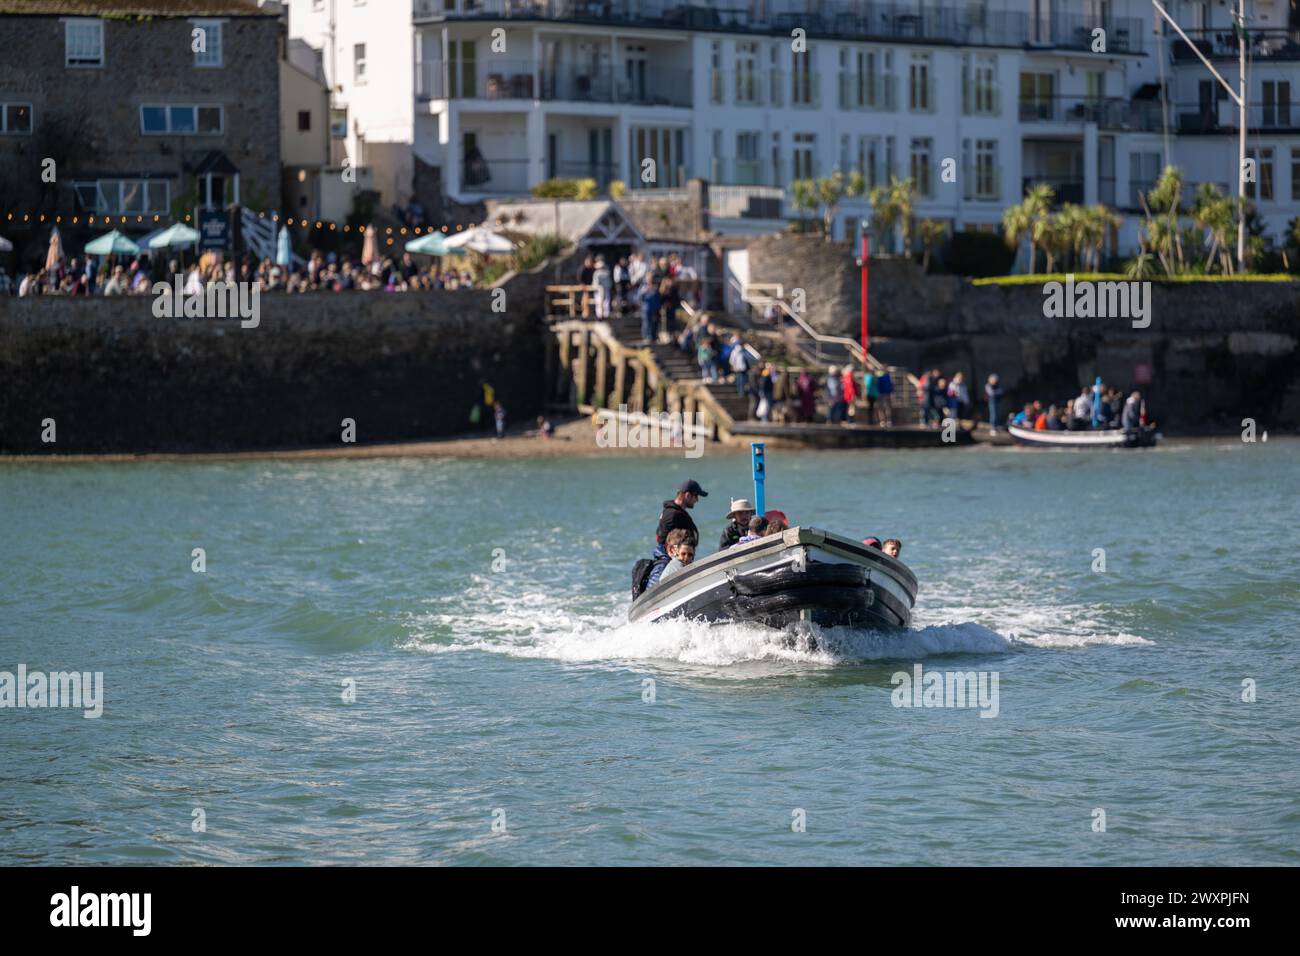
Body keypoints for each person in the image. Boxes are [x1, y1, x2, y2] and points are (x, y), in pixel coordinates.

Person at [654, 479, 708, 560]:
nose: (697, 500)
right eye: (696, 496)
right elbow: (662, 541)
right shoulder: (672, 514)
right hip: (675, 561)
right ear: (687, 495)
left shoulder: (677, 512)